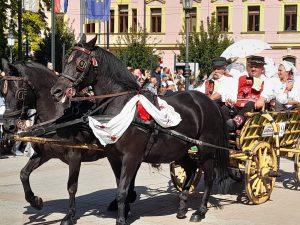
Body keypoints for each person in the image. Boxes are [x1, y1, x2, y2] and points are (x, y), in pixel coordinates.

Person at [222, 56, 271, 131]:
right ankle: (224, 126)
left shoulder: (266, 80)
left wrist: (262, 99)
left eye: (256, 67)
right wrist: (230, 99)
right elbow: (233, 91)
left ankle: (234, 124)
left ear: (262, 69)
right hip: (238, 106)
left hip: (254, 111)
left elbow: (269, 92)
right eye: (251, 66)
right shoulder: (241, 78)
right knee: (225, 108)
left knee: (250, 103)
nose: (253, 69)